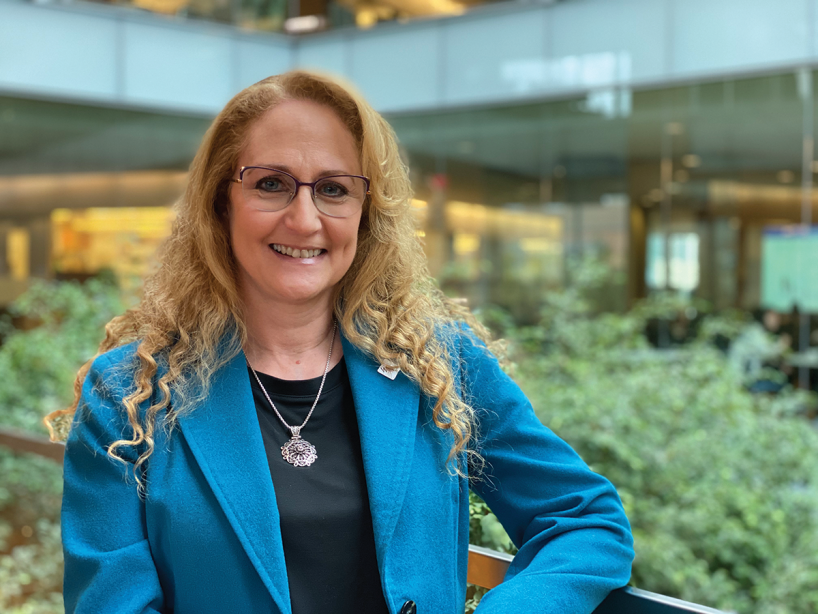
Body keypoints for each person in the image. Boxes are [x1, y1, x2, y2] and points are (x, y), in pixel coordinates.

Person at [47, 71, 634, 614]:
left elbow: (585, 520)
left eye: (333, 189)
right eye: (272, 184)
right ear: (221, 204)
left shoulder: (438, 364)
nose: (304, 221)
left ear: (366, 212)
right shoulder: (128, 394)